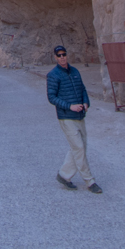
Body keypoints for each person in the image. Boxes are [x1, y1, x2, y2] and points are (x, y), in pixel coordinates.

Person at [47, 45, 101, 192]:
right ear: (55, 57)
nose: (62, 57)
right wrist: (70, 106)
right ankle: (90, 182)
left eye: (64, 54)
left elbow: (82, 88)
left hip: (79, 115)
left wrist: (85, 102)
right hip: (66, 117)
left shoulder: (75, 71)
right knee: (79, 147)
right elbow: (51, 97)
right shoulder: (53, 75)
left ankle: (64, 175)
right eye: (59, 55)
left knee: (79, 147)